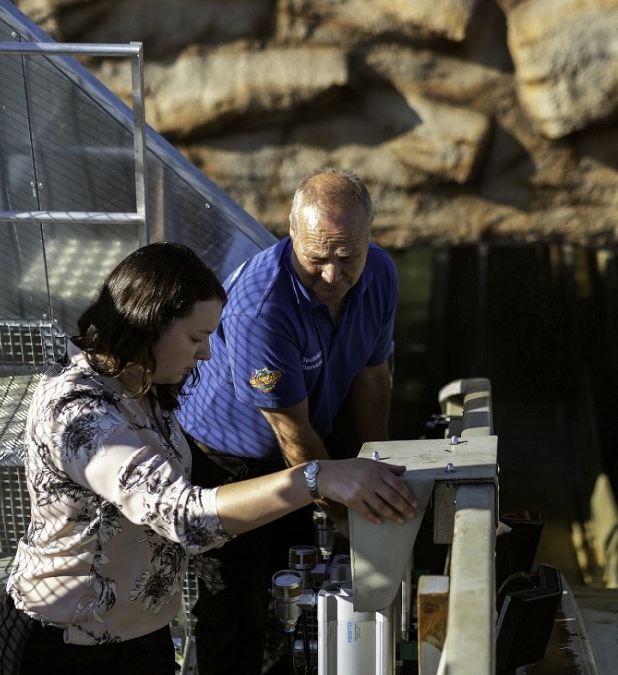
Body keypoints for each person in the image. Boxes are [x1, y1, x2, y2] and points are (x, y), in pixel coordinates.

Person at [0, 241, 415, 675]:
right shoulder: (77, 414)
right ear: (148, 323)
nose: (206, 353)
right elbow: (183, 516)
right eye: (196, 337)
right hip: (63, 643)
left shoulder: (139, 384)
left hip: (138, 635)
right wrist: (317, 477)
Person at [176, 167, 398, 674]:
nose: (332, 276)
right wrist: (352, 521)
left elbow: (372, 381)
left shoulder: (381, 274)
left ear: (369, 238)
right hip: (230, 457)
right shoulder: (261, 307)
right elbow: (290, 432)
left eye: (348, 258)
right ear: (291, 233)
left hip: (311, 427)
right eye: (317, 258)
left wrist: (380, 472)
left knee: (293, 585)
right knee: (236, 601)